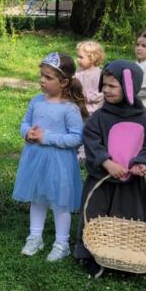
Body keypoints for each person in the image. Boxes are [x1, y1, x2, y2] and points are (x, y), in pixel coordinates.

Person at [74, 60, 146, 277]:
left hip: (130, 183)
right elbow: (91, 140)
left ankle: (124, 258)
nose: (106, 90)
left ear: (129, 88)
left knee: (126, 218)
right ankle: (91, 254)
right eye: (104, 85)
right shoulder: (99, 117)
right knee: (94, 215)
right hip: (101, 180)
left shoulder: (145, 120)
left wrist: (141, 162)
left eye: (112, 86)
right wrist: (106, 162)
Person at [13, 53, 88, 261]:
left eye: (48, 77)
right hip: (35, 159)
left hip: (59, 163)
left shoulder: (69, 109)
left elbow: (76, 138)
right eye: (42, 75)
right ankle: (35, 237)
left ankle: (61, 244)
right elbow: (25, 123)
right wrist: (27, 133)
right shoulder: (37, 101)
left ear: (63, 82)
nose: (42, 80)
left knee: (60, 203)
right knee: (37, 198)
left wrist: (47, 137)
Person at [74, 40, 106, 115]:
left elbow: (101, 93)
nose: (78, 59)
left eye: (81, 57)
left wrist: (87, 96)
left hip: (93, 108)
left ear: (92, 58)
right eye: (78, 56)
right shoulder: (79, 72)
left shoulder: (98, 74)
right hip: (79, 104)